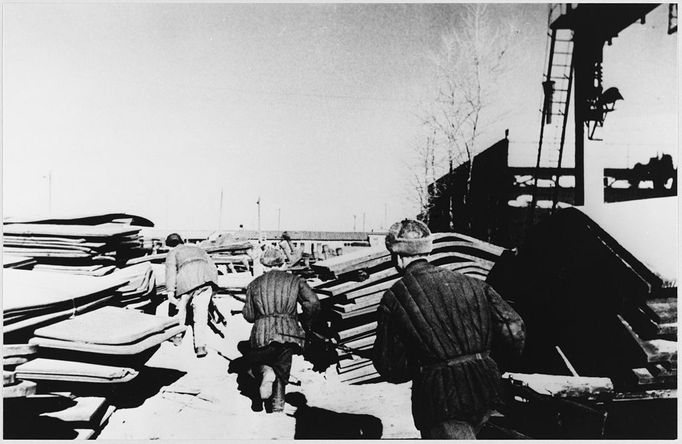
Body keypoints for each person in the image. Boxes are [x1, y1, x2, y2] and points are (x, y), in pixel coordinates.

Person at [372, 219, 526, 439]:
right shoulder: (473, 283)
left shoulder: (395, 297)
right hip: (490, 388)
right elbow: (513, 327)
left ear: (397, 257)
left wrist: (421, 362)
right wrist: (489, 364)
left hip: (440, 401)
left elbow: (391, 367)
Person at [242, 247, 320, 413]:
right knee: (282, 367)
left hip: (262, 334)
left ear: (263, 265)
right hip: (288, 332)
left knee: (253, 363)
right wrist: (305, 322)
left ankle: (265, 371)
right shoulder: (295, 280)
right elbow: (313, 303)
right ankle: (278, 404)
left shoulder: (254, 284)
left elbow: (249, 316)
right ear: (283, 263)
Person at [165, 233, 219, 358]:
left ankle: (177, 337)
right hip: (205, 282)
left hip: (186, 283)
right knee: (201, 315)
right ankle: (200, 347)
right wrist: (214, 287)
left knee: (180, 310)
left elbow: (171, 272)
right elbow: (212, 267)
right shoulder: (199, 249)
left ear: (170, 244)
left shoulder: (172, 253)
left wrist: (170, 292)